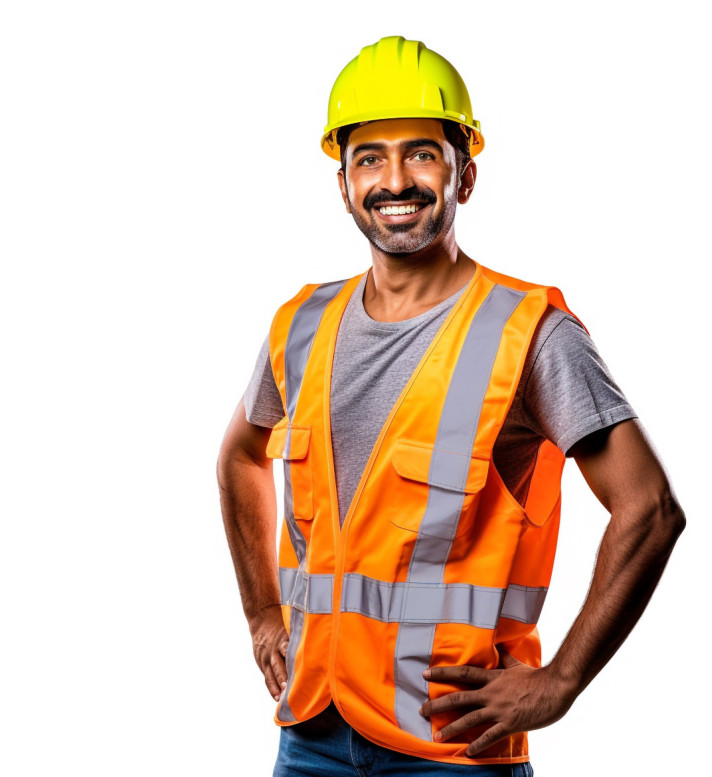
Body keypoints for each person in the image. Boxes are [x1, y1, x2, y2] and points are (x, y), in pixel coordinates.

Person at [217, 35, 686, 777]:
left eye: (421, 153)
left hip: (454, 748)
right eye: (368, 157)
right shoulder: (300, 325)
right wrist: (261, 612)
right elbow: (242, 454)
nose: (394, 179)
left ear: (464, 175)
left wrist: (559, 683)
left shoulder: (529, 333)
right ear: (342, 181)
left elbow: (651, 509)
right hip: (310, 731)